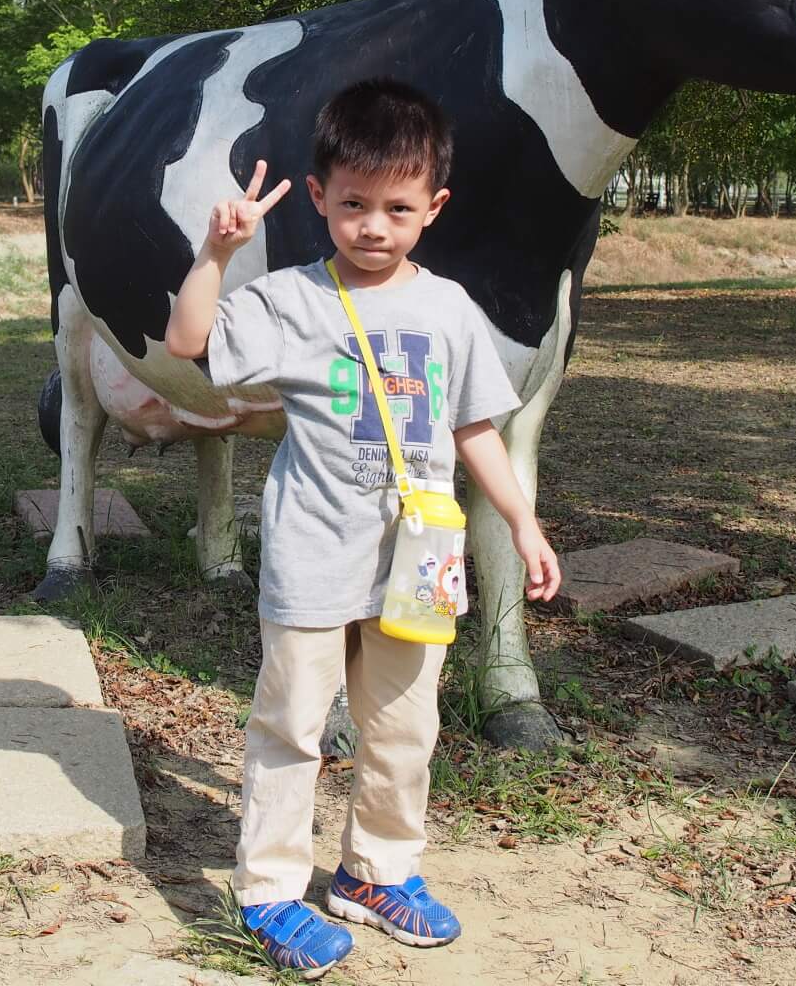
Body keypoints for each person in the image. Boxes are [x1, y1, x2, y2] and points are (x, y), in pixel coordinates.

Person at [164, 77, 564, 977]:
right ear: (318, 198)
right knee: (292, 724)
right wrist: (215, 253)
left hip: (416, 564)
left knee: (402, 724)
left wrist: (524, 524)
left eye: (396, 207)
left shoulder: (450, 310)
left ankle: (376, 874)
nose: (373, 226)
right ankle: (268, 892)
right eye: (352, 205)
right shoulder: (294, 302)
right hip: (313, 552)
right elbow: (190, 342)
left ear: (434, 207)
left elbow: (474, 430)